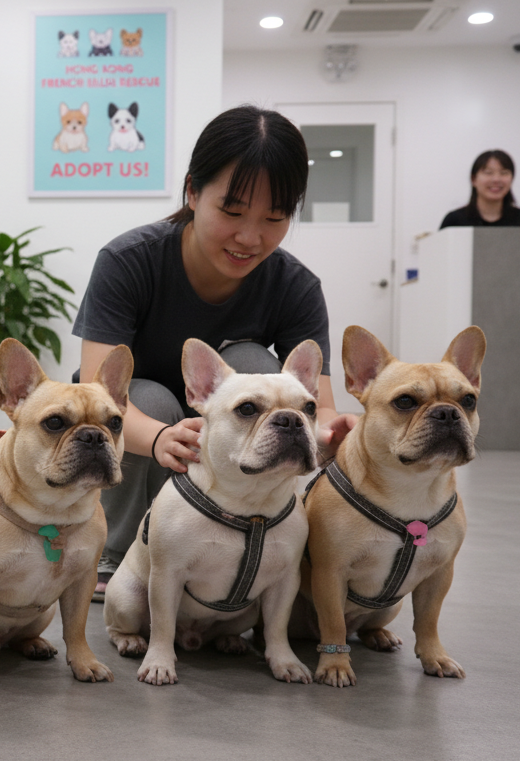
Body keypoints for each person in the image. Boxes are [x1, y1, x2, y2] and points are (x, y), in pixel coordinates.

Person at [72, 105, 357, 601]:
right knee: (151, 398)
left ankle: (245, 545)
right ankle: (115, 553)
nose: (251, 237)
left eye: (275, 217)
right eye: (231, 211)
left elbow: (318, 403)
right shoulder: (129, 261)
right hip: (143, 416)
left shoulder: (295, 285)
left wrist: (336, 431)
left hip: (226, 426)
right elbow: (98, 393)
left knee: (257, 367)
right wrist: (160, 435)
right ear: (191, 191)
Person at [439, 150, 520, 229]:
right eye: (488, 172)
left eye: (504, 173)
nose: (496, 179)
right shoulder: (454, 221)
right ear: (474, 179)